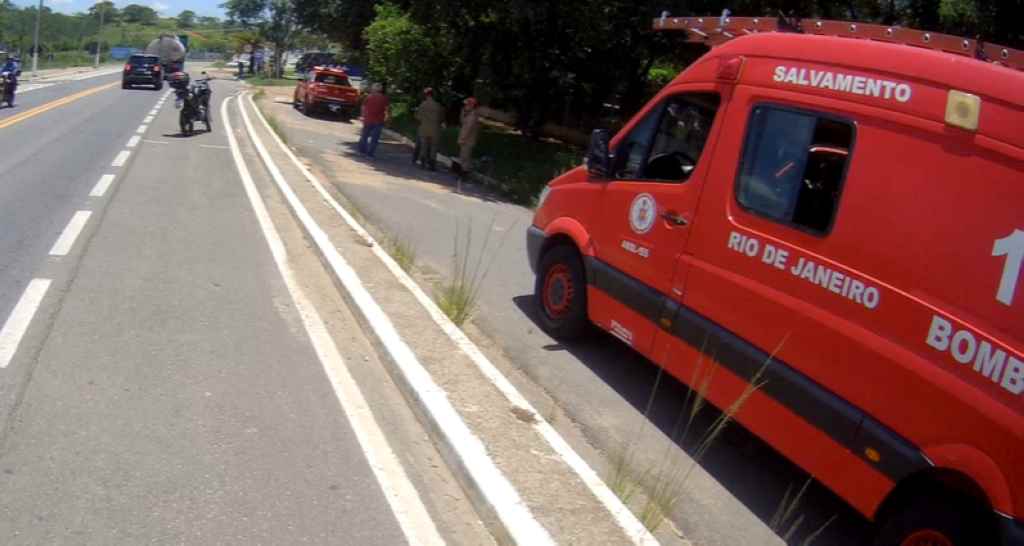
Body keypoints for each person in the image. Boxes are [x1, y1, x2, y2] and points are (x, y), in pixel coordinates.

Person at [414, 87, 444, 170]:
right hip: (435, 129)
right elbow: (441, 118)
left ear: (425, 95)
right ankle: (432, 165)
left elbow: (418, 117)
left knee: (424, 146)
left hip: (424, 128)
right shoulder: (438, 105)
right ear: (433, 95)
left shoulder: (422, 105)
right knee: (434, 147)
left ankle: (422, 164)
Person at [358, 83, 389, 158]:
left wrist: (362, 116)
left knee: (364, 136)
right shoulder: (384, 98)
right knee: (374, 138)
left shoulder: (368, 97)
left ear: (373, 89)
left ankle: (362, 151)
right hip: (378, 121)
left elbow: (363, 107)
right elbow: (386, 110)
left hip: (368, 119)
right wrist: (386, 119)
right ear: (380, 89)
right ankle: (370, 154)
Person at [457, 97, 481, 182]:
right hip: (466, 139)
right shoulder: (469, 114)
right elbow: (462, 121)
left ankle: (464, 175)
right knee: (463, 157)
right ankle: (463, 174)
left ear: (471, 105)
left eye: (466, 104)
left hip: (468, 140)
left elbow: (467, 128)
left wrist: (462, 139)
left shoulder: (472, 115)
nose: (465, 106)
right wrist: (463, 112)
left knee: (465, 157)